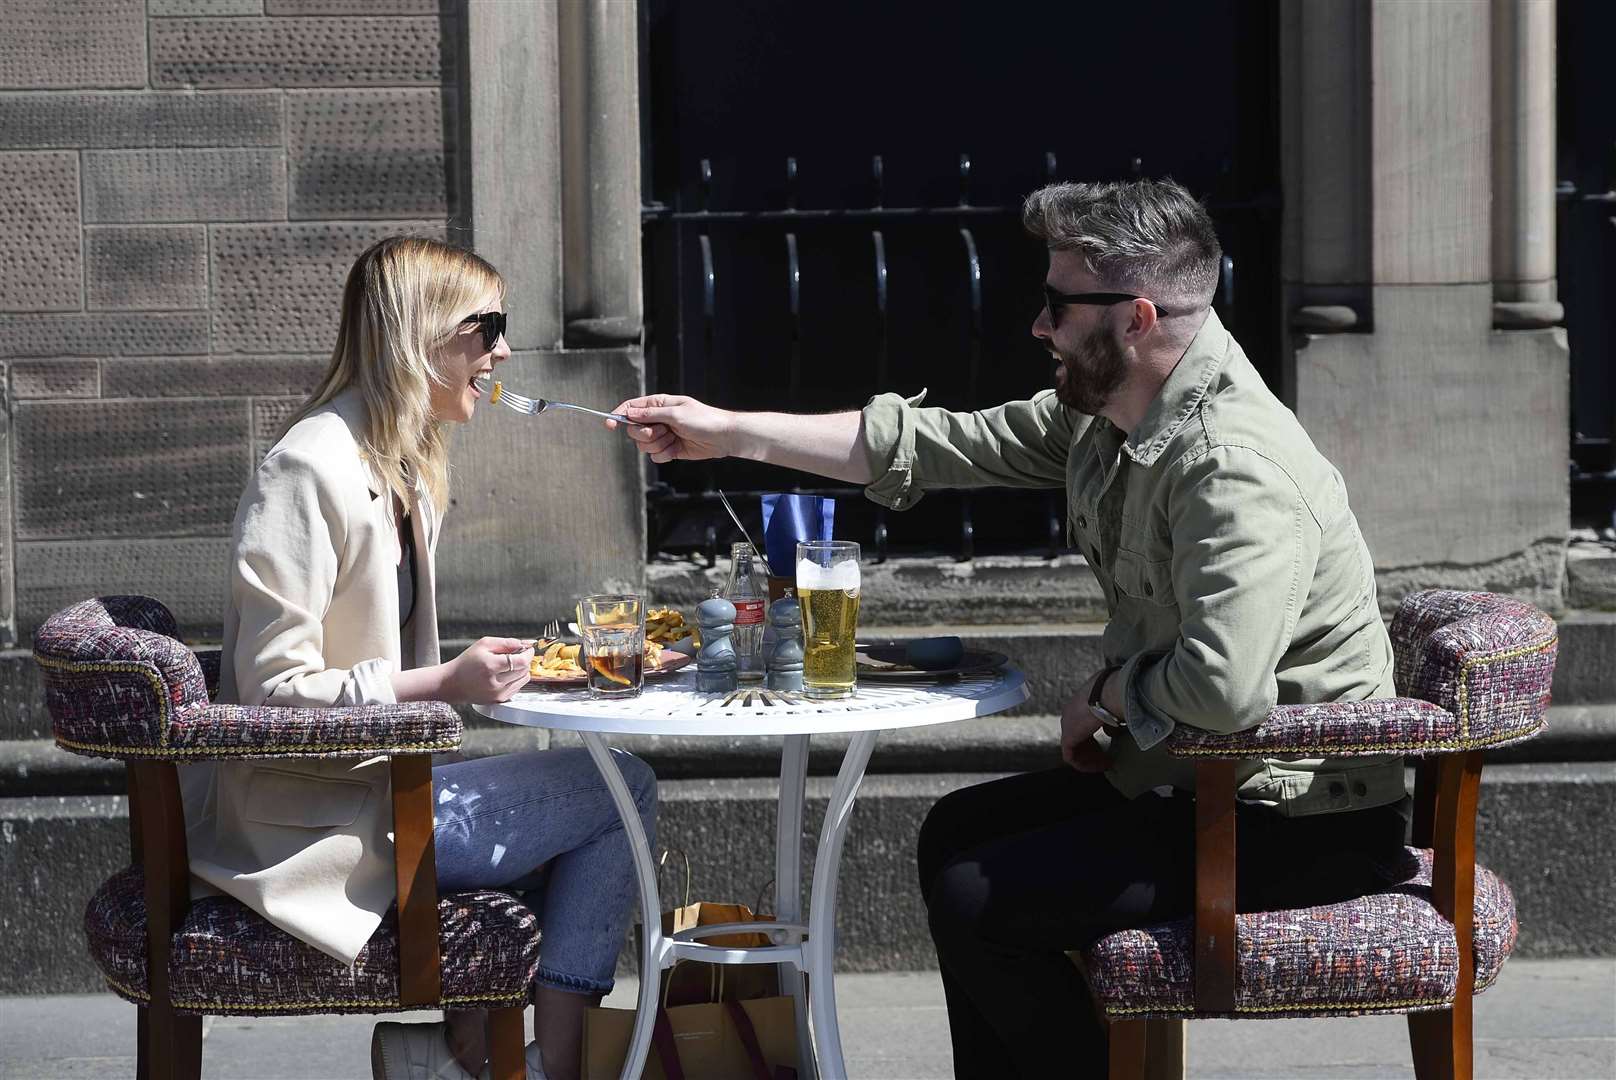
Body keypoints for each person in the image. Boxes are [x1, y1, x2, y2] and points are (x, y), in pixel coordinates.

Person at [607, 179, 1411, 1076]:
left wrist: (1107, 695)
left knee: (979, 893)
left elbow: (1224, 692)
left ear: (1136, 317)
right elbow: (935, 443)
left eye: (1059, 304)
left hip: (1288, 821)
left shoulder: (1230, 468)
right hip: (1195, 779)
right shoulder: (1114, 420)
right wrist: (723, 432)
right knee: (956, 833)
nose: (1039, 326)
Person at [181, 236, 656, 1080]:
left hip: (379, 790)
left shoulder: (397, 460)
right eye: (487, 327)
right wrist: (445, 683)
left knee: (600, 790)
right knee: (620, 790)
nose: (503, 351)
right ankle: (543, 1065)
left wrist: (477, 677)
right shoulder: (308, 468)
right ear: (420, 334)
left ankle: (462, 1053)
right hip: (318, 825)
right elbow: (270, 692)